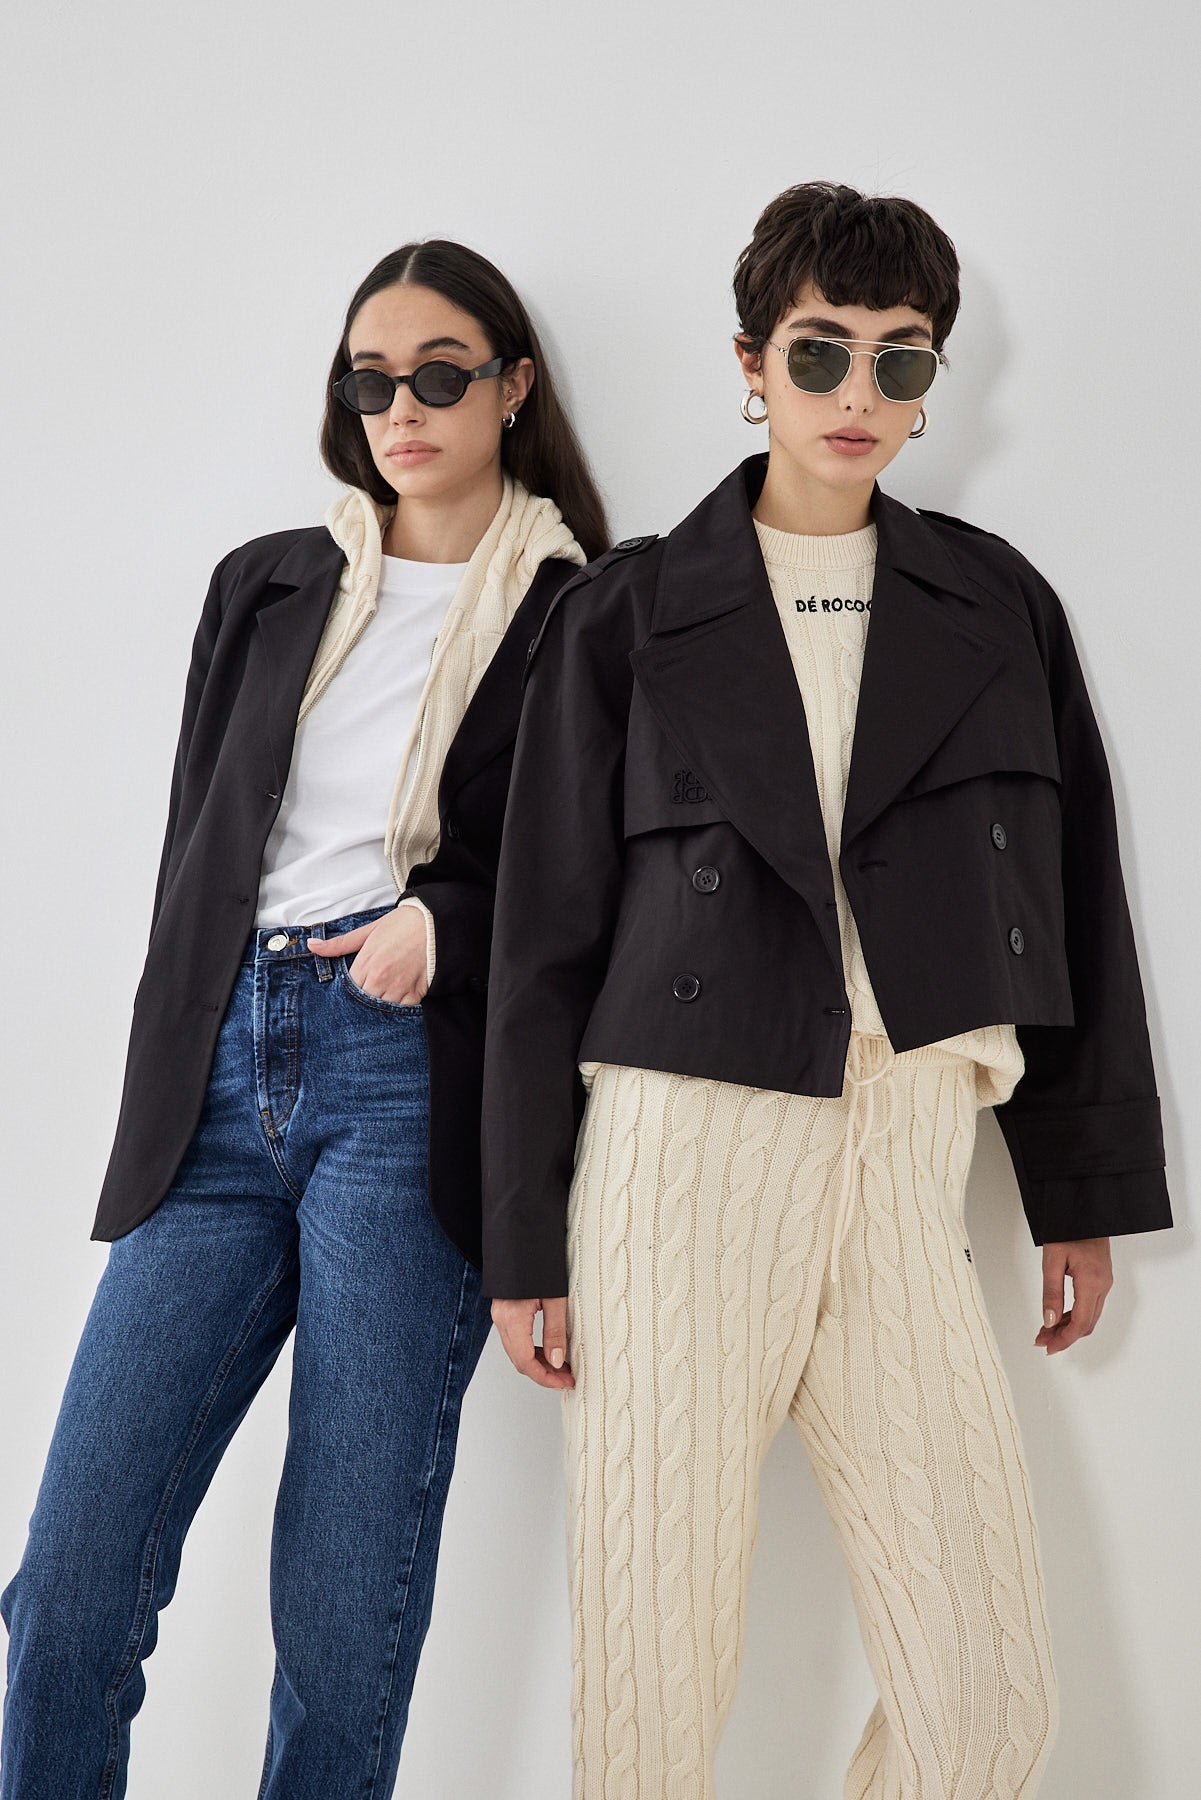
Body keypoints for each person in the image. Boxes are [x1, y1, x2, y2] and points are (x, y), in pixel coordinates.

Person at [481, 182, 1170, 1798]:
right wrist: (521, 1242)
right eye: (818, 352)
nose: (856, 393)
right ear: (750, 364)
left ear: (930, 383)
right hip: (680, 1155)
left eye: (897, 359)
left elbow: (1074, 901)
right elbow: (538, 943)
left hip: (912, 1153)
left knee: (984, 1699)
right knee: (652, 1685)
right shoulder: (625, 613)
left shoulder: (994, 605)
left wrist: (1076, 1194)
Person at [1, 238, 606, 1800]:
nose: (399, 407)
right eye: (368, 380)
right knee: (66, 1589)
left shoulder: (581, 613)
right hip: (218, 1077)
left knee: (343, 1623)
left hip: (408, 1084)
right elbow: (197, 847)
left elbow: (590, 877)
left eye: (438, 375)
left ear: (511, 388)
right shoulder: (266, 583)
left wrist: (442, 920)